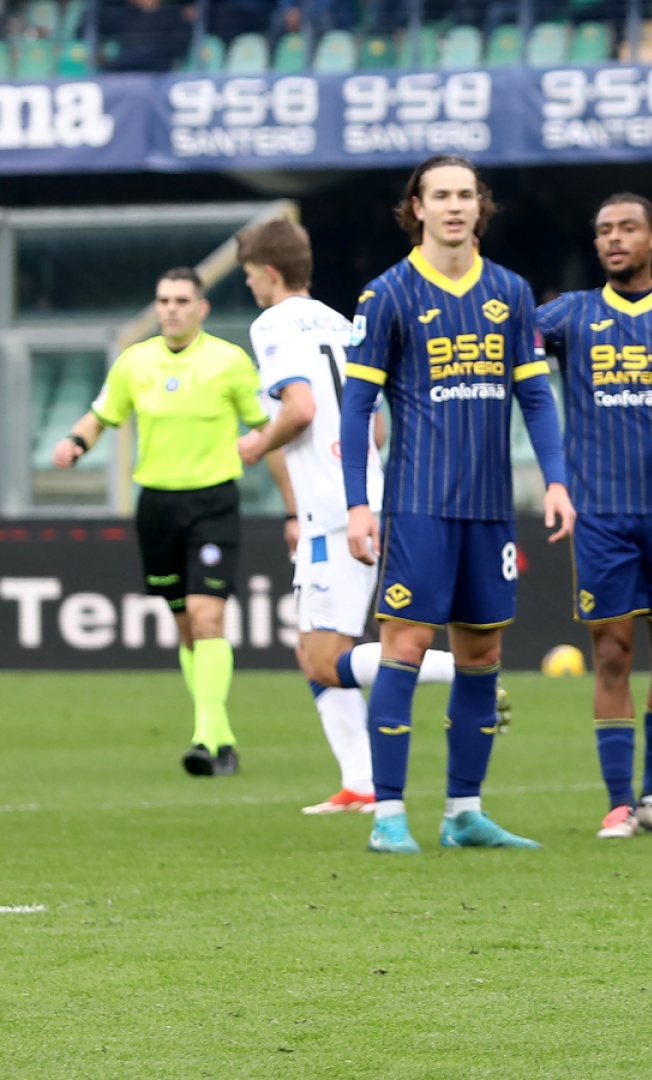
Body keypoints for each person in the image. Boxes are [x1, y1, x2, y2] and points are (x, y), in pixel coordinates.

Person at [339, 155, 575, 854]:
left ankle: (463, 813)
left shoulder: (510, 290)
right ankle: (387, 816)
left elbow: (534, 393)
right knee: (404, 647)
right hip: (417, 504)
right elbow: (356, 410)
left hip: (490, 507)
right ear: (416, 207)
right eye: (439, 194)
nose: (453, 206)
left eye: (465, 194)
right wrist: (360, 504)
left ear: (481, 206)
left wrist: (556, 480)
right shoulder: (386, 294)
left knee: (483, 652)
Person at [231, 218, 466, 816]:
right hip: (368, 496)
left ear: (269, 272)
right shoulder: (341, 321)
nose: (252, 287)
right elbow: (378, 425)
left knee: (320, 658)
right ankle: (359, 784)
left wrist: (258, 443)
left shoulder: (273, 324)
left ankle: (465, 671)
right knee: (319, 652)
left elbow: (301, 408)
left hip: (332, 511)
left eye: (251, 276)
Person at [535, 193, 652, 841]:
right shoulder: (569, 316)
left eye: (627, 229)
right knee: (612, 653)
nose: (614, 239)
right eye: (603, 231)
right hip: (600, 511)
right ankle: (620, 802)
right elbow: (508, 346)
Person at [53, 268, 266, 776]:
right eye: (163, 300)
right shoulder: (135, 362)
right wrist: (76, 443)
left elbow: (265, 427)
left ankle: (204, 737)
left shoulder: (229, 363)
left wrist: (292, 507)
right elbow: (102, 414)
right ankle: (223, 739)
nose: (170, 308)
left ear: (201, 308)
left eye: (180, 300)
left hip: (213, 501)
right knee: (188, 626)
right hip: (157, 506)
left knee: (207, 614)